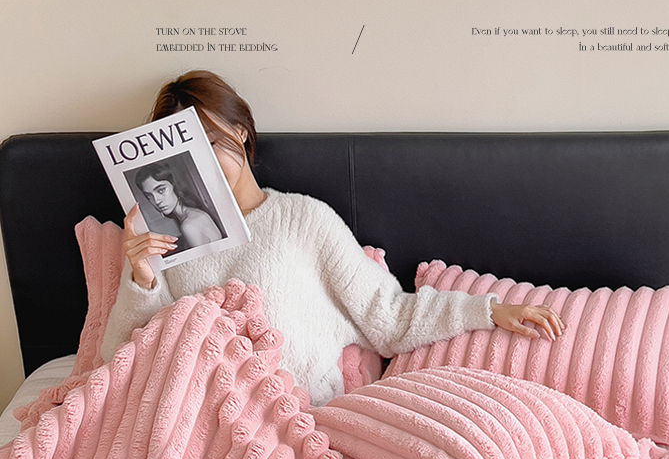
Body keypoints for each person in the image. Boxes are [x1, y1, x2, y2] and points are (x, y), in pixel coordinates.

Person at [101, 71, 565, 405]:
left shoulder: (302, 218)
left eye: (210, 140)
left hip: (291, 415)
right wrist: (141, 279)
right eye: (186, 150)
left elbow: (388, 314)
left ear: (239, 132)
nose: (201, 159)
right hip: (198, 411)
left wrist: (487, 311)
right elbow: (125, 359)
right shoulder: (157, 237)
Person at [134, 163, 224, 249]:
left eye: (161, 190)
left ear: (173, 185)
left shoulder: (189, 225)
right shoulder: (190, 215)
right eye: (149, 196)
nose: (156, 201)